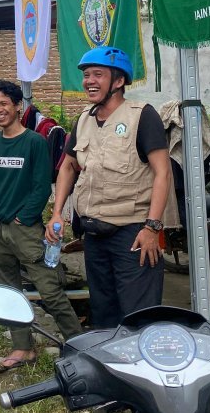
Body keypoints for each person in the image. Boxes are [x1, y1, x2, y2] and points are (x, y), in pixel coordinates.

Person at [48, 46, 172, 328]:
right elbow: (68, 166)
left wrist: (152, 228)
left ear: (118, 81)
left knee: (140, 316)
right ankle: (110, 369)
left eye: (98, 75)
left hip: (133, 234)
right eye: (86, 75)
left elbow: (163, 173)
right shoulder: (83, 119)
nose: (89, 81)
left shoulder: (142, 116)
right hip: (94, 234)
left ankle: (140, 370)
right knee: (103, 312)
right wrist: (57, 213)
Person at [0, 80, 83, 372]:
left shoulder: (34, 142)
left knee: (50, 291)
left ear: (16, 106)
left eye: (3, 104)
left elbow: (41, 188)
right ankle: (23, 348)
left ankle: (79, 346)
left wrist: (22, 218)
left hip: (25, 231)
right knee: (8, 292)